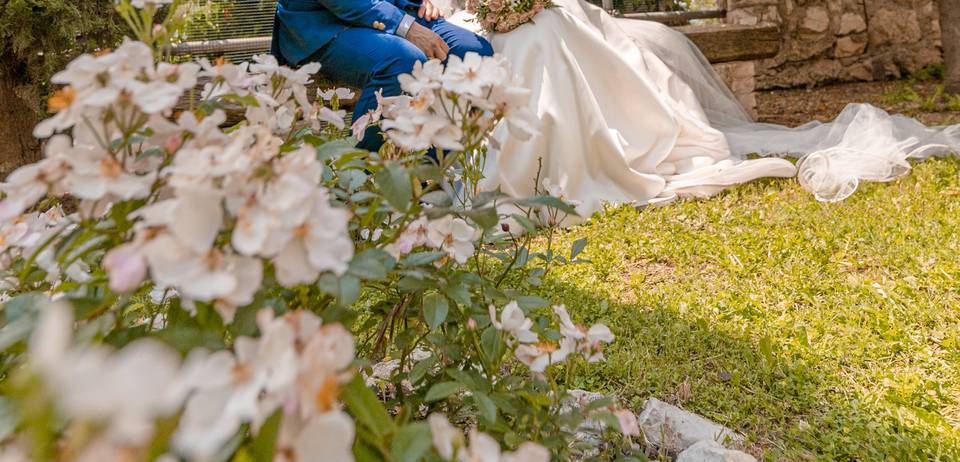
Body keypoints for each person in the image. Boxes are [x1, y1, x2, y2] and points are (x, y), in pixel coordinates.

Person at [440, 0, 959, 217]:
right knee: (518, 44)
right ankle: (503, 164)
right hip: (462, 18)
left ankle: (581, 155)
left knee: (547, 34)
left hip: (548, 15)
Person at [272, 0, 494, 150]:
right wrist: (405, 27)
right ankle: (365, 181)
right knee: (403, 60)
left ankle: (434, 171)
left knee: (473, 54)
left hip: (395, 9)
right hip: (325, 23)